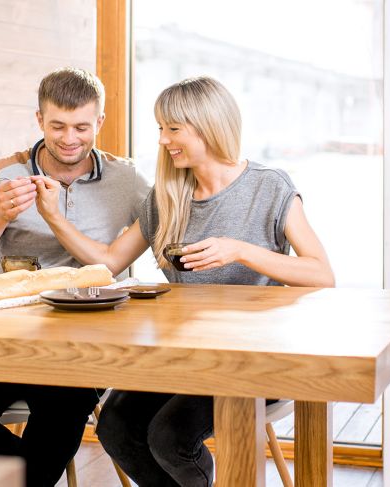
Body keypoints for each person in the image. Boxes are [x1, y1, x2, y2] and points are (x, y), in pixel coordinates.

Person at [31, 76, 335, 486]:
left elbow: (322, 274)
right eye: (160, 129)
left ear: (208, 126)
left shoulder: (268, 187)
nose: (162, 140)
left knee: (169, 437)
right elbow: (107, 260)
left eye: (173, 129)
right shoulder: (167, 195)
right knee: (116, 427)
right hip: (182, 356)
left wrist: (240, 249)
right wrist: (53, 216)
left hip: (251, 359)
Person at [0, 67, 150, 487]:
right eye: (57, 125)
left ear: (99, 122)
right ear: (39, 120)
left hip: (85, 335)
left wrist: (54, 218)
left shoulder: (127, 180)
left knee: (58, 418)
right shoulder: (5, 175)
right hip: (4, 330)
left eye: (82, 127)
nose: (69, 138)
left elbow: (146, 238)